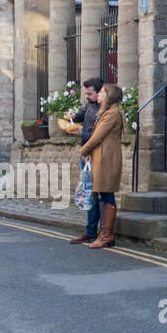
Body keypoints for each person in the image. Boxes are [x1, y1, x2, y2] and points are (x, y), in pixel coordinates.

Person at [79, 83, 125, 250]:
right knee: (103, 194)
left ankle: (106, 234)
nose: (99, 94)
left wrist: (84, 150)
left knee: (106, 194)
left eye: (102, 92)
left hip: (107, 159)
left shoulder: (112, 114)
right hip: (102, 158)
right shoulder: (108, 113)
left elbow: (97, 137)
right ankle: (104, 234)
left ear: (109, 96)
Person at [66, 77, 104, 245]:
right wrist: (72, 117)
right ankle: (90, 231)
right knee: (88, 192)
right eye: (86, 93)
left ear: (99, 91)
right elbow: (80, 116)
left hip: (96, 154)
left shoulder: (104, 109)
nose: (87, 96)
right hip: (86, 153)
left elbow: (98, 135)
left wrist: (81, 135)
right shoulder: (89, 105)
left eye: (90, 93)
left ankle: (102, 231)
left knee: (99, 193)